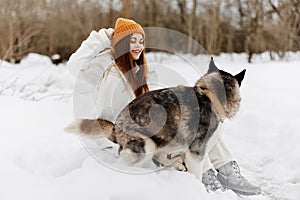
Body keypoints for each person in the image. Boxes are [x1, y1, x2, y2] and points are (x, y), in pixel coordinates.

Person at [67, 18, 261, 195]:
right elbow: (75, 65)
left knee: (203, 120)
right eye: (131, 40)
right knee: (194, 132)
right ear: (119, 42)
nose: (138, 46)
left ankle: (226, 168)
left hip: (145, 130)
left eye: (140, 41)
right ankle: (207, 175)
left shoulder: (137, 72)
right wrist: (101, 37)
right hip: (135, 143)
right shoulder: (107, 71)